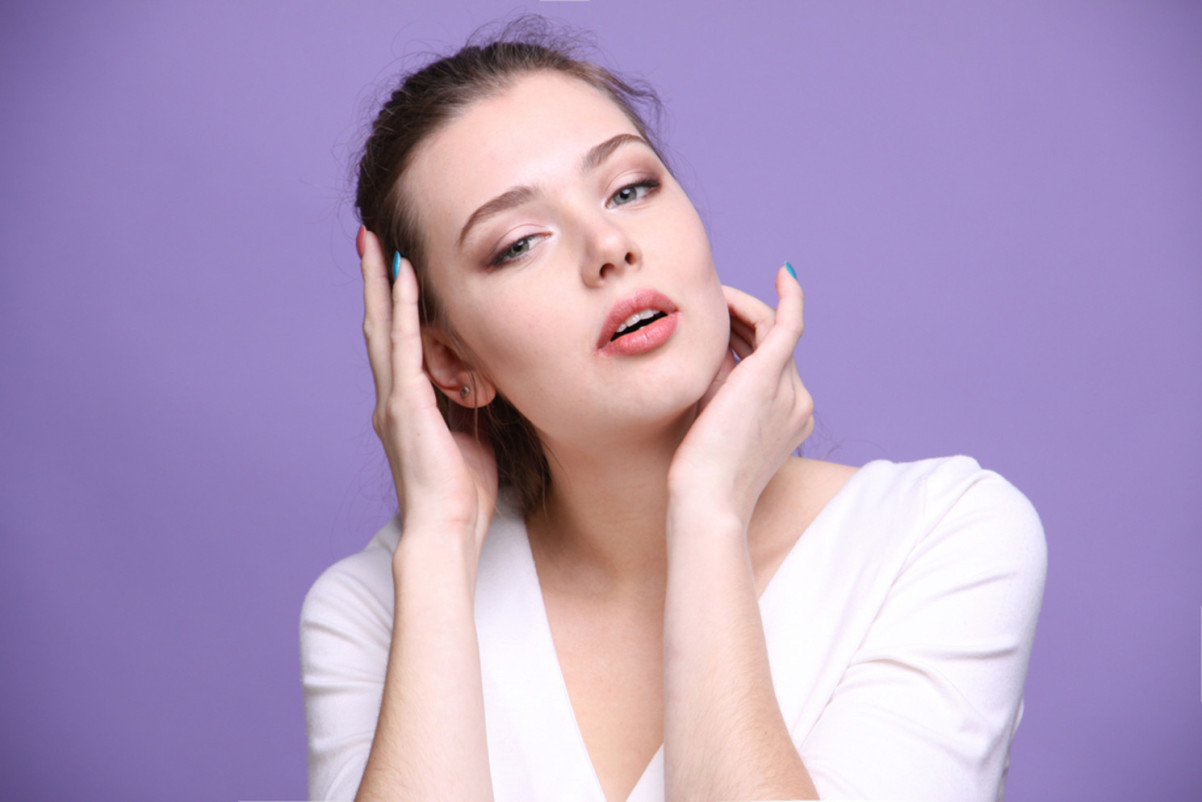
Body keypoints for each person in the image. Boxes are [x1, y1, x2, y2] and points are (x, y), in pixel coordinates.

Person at [300, 17, 1046, 802]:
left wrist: (708, 517)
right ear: (450, 362)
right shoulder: (377, 608)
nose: (609, 244)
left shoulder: (941, 537)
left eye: (630, 188)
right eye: (520, 241)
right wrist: (439, 546)